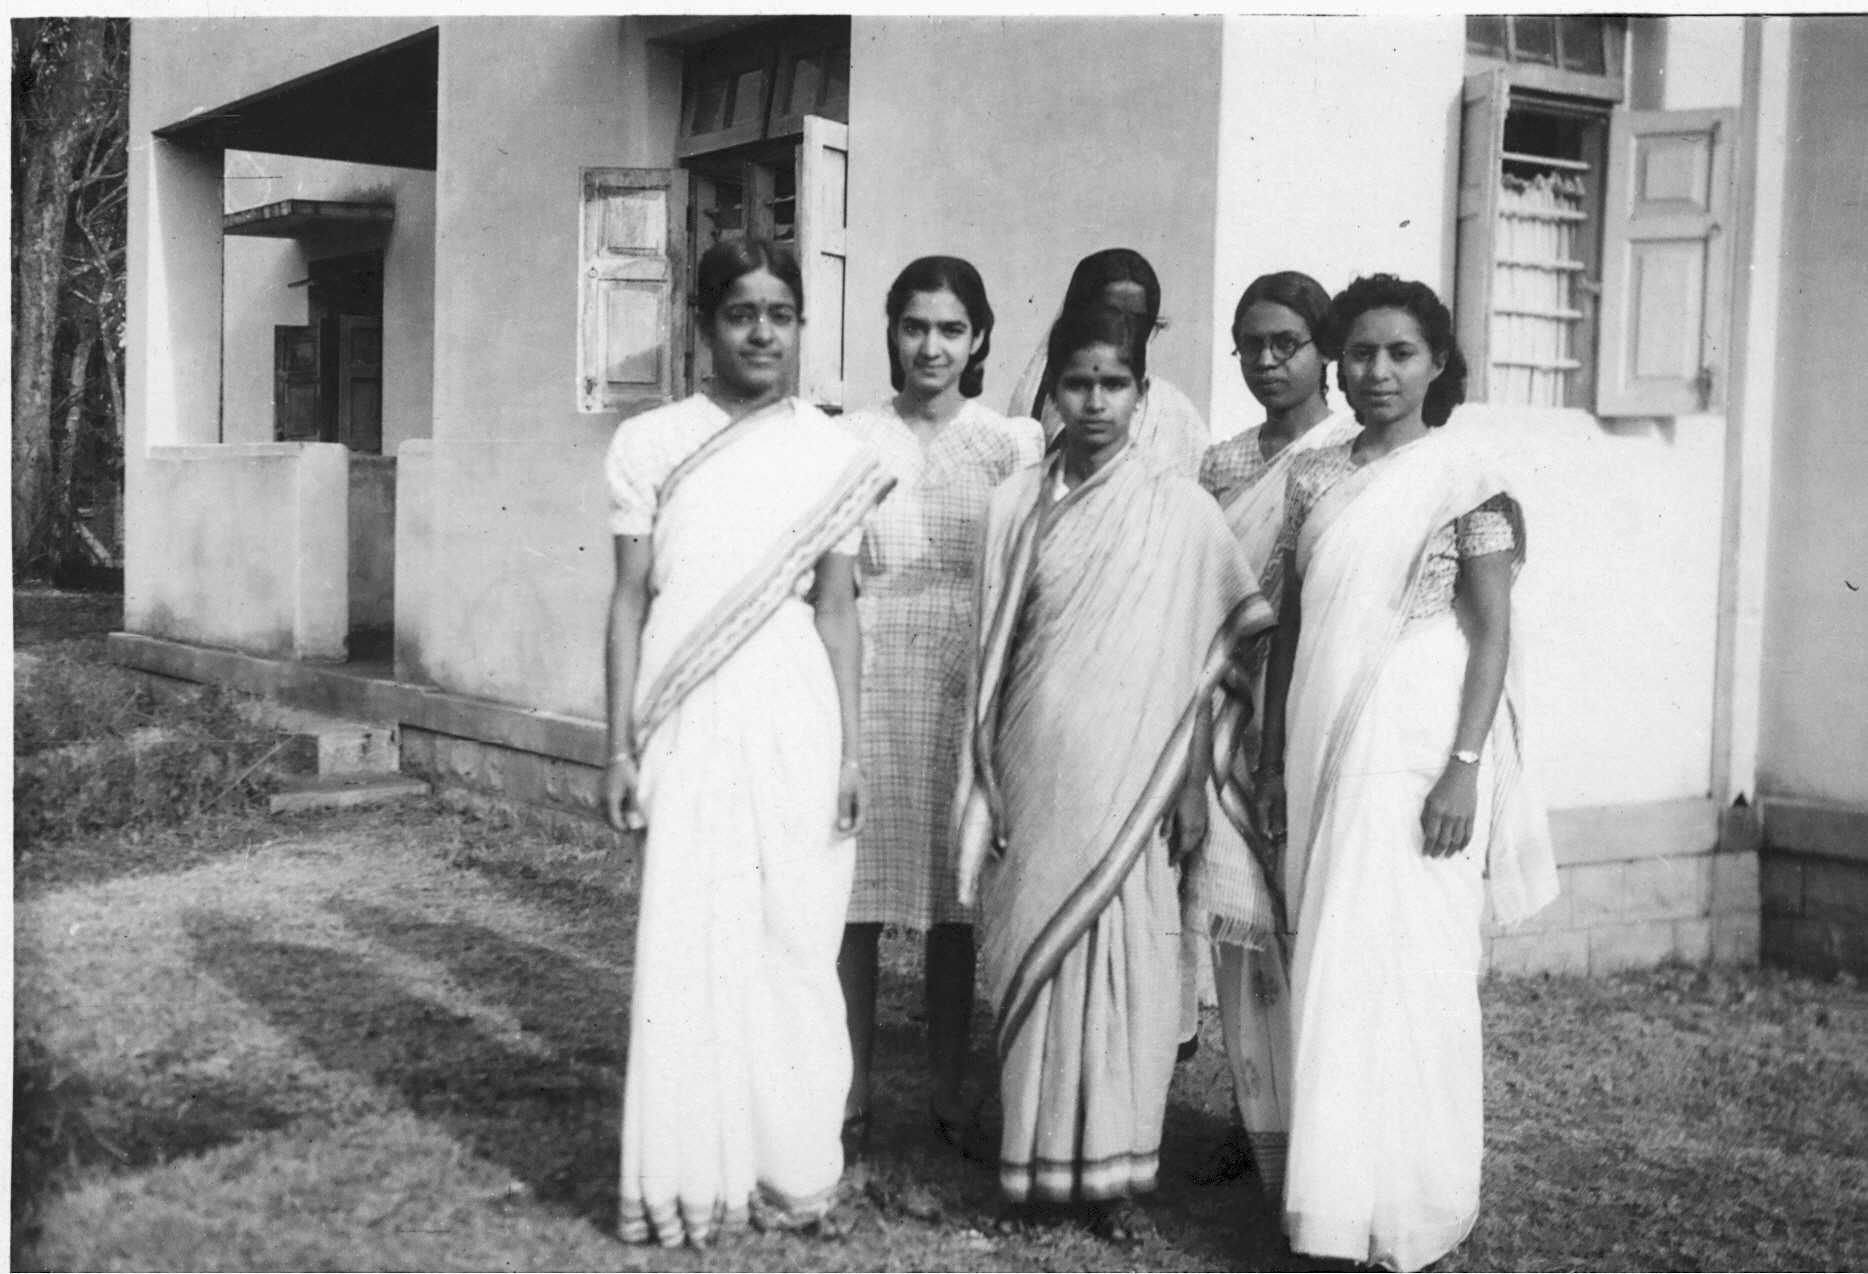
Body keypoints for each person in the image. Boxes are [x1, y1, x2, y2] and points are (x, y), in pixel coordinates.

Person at [1256, 274, 1558, 1271]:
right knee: (1334, 955)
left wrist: (1463, 769)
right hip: (1322, 737)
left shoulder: (1466, 476)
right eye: (1359, 353)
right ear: (1335, 364)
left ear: (1436, 364)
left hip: (1423, 739)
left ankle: (1416, 1202)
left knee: (1416, 960)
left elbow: (1491, 631)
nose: (1377, 372)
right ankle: (1335, 1204)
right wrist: (1269, 758)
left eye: (1399, 353)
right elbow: (1290, 627)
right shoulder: (1313, 476)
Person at [955, 302, 1272, 1243]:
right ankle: (1030, 1167)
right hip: (1035, 762)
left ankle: (1115, 1182)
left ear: (1142, 393)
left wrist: (1190, 781)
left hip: (1140, 778)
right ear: (1051, 391)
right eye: (1077, 383)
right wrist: (985, 776)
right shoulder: (1014, 503)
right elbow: (989, 656)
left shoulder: (1183, 510)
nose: (1094, 401)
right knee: (1031, 953)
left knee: (1130, 967)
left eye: (1114, 383)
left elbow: (1215, 657)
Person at [601, 237, 894, 1247]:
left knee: (796, 934)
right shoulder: (650, 442)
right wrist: (617, 746)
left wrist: (850, 752)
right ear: (703, 325)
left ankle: (796, 1170)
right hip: (686, 714)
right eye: (740, 313)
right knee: (691, 935)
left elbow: (838, 611)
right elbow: (628, 601)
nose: (761, 332)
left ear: (801, 324)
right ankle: (693, 1178)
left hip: (796, 709)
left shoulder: (830, 452)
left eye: (779, 313)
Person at [835, 256, 1043, 1161]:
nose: (932, 346)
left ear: (979, 338)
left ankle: (951, 1092)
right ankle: (849, 1088)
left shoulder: (1009, 443)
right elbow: (833, 579)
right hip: (870, 669)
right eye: (916, 326)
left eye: (951, 329)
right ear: (892, 333)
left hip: (969, 675)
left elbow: (1025, 574)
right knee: (854, 895)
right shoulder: (851, 436)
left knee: (955, 901)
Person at [1189, 271, 1362, 1199]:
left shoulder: (1352, 455)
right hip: (1232, 705)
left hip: (1316, 703)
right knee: (1242, 918)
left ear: (1323, 349)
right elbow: (1198, 589)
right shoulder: (1220, 464)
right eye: (1249, 344)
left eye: (1284, 343)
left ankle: (1325, 1129)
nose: (1265, 359)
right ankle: (1259, 1124)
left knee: (1310, 912)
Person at [1006, 248, 1211, 478]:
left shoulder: (1177, 414)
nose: (1124, 329)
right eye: (1110, 315)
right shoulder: (1035, 402)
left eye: (1137, 320)